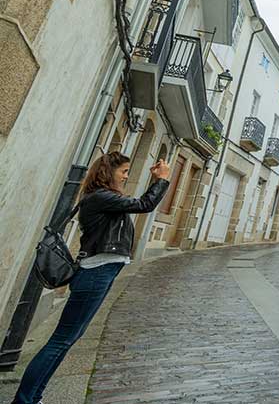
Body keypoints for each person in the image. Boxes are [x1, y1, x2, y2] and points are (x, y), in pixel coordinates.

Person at [11, 151, 170, 404]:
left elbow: (137, 204)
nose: (127, 177)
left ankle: (33, 397)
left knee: (67, 339)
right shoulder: (100, 198)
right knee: (61, 340)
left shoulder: (103, 198)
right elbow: (144, 205)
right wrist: (161, 179)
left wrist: (155, 182)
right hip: (96, 273)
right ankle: (24, 400)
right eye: (124, 172)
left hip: (100, 273)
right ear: (109, 173)